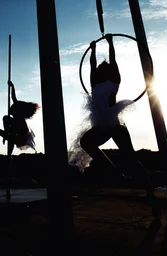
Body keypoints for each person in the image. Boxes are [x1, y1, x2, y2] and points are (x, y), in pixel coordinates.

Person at [68, 34, 160, 218]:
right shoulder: (95, 83)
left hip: (113, 125)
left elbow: (112, 60)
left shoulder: (114, 81)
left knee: (131, 157)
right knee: (86, 142)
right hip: (101, 126)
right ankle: (112, 170)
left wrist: (110, 43)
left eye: (104, 68)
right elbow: (92, 66)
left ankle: (148, 188)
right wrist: (93, 50)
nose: (100, 69)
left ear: (108, 71)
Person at [2, 80, 37, 152]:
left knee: (6, 119)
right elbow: (13, 97)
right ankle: (7, 135)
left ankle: (7, 135)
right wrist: (12, 86)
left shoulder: (19, 117)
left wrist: (12, 86)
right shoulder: (16, 117)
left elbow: (13, 97)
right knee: (6, 120)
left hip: (21, 132)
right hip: (18, 128)